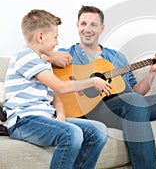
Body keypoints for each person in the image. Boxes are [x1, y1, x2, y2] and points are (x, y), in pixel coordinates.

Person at [49, 5, 156, 169]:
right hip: (91, 110)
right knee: (134, 101)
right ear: (77, 26)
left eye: (93, 25)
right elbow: (37, 57)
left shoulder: (116, 57)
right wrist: (51, 55)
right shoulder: (66, 55)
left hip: (129, 105)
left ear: (102, 28)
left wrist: (152, 72)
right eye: (83, 24)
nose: (87, 29)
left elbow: (137, 91)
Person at [3, 9, 108, 169]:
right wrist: (92, 81)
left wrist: (60, 115)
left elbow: (56, 94)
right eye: (55, 37)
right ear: (40, 37)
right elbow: (61, 86)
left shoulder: (43, 62)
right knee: (72, 134)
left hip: (45, 117)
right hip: (23, 121)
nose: (57, 42)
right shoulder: (24, 56)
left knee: (98, 131)